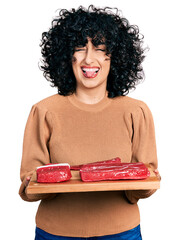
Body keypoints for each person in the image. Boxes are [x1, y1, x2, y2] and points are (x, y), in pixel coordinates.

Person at [19, 5, 160, 240]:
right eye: (80, 48)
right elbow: (30, 182)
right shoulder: (43, 111)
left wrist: (147, 181)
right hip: (56, 233)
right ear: (67, 56)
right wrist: (31, 184)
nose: (89, 58)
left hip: (121, 232)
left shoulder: (137, 111)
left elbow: (145, 182)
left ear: (115, 56)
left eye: (100, 48)